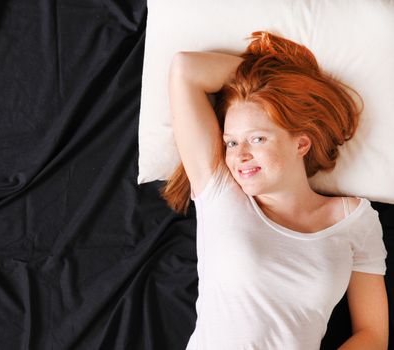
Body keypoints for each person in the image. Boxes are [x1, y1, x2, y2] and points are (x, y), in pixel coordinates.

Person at [161, 31, 388, 349]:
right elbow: (185, 69)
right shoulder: (220, 193)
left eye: (257, 138)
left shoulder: (356, 220)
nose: (239, 155)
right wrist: (269, 84)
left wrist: (281, 94)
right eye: (232, 142)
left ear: (301, 143)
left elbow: (373, 335)